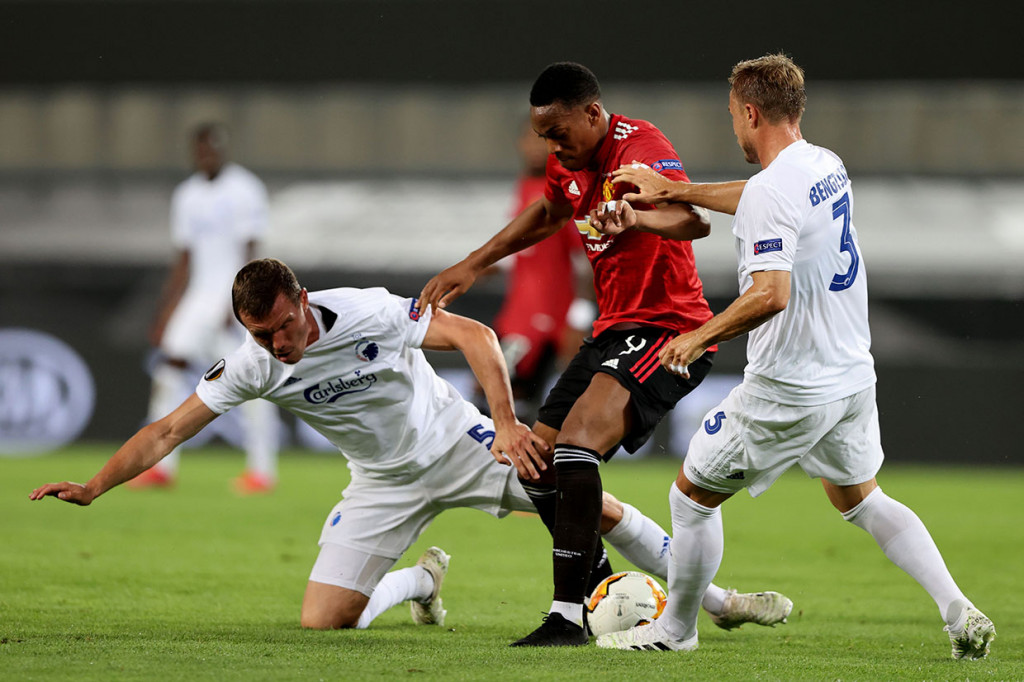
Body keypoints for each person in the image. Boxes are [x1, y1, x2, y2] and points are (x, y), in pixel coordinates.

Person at [31, 258, 741, 632]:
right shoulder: (251, 363)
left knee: (593, 506)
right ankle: (419, 581)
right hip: (380, 481)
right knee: (323, 621)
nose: (277, 346)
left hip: (456, 442)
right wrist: (95, 485)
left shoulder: (369, 311)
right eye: (260, 336)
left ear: (302, 300)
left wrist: (502, 422)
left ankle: (710, 601)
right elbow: (165, 430)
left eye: (282, 327)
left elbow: (476, 334)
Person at [591, 54, 996, 660]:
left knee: (690, 495)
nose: (734, 127)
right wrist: (677, 189)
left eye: (733, 116)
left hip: (789, 387)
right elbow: (759, 198)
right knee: (861, 499)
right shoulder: (822, 164)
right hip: (851, 375)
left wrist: (700, 336)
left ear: (750, 112)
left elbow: (770, 293)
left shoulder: (773, 188)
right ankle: (957, 609)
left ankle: (675, 632)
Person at [420, 62, 792, 646]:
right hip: (613, 329)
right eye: (544, 135)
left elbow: (691, 220)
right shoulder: (565, 160)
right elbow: (549, 211)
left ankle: (567, 616)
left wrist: (635, 215)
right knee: (536, 461)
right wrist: (474, 263)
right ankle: (599, 589)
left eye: (560, 132)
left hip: (670, 330)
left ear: (593, 114)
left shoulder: (639, 148)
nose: (552, 145)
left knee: (575, 445)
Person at [137, 123, 280, 493]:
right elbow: (184, 258)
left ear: (224, 150)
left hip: (231, 297)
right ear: (195, 151)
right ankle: (160, 467)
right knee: (168, 369)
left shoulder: (245, 189)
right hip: (197, 297)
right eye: (202, 149)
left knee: (253, 376)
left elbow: (252, 250)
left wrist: (242, 300)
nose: (208, 156)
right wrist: (167, 310)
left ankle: (262, 471)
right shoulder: (187, 195)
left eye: (214, 149)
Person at [490, 120, 594, 422]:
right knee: (497, 398)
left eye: (542, 142)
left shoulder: (565, 191)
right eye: (529, 140)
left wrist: (580, 317)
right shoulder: (524, 186)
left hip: (549, 321)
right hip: (517, 316)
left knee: (514, 401)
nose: (534, 148)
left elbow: (586, 258)